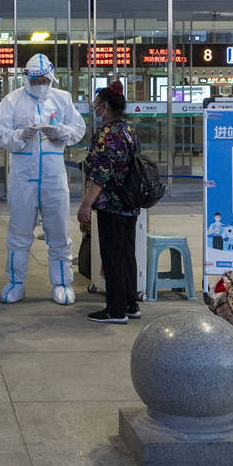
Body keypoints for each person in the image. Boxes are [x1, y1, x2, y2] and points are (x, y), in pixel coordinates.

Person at [0, 53, 86, 304]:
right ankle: (15, 282)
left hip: (54, 176)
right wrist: (20, 135)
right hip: (23, 175)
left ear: (51, 78)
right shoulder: (12, 101)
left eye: (44, 79)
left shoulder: (62, 99)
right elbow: (1, 134)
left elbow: (79, 129)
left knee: (57, 230)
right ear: (26, 79)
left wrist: (61, 132)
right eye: (35, 80)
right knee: (19, 231)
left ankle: (62, 283)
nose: (40, 84)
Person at [77, 85, 141, 324]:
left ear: (105, 107)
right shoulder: (128, 129)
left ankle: (115, 311)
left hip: (111, 204)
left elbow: (100, 174)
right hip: (130, 201)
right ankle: (130, 303)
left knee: (112, 255)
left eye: (96, 103)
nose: (94, 107)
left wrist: (85, 205)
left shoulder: (106, 134)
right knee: (127, 253)